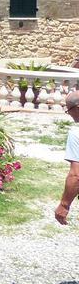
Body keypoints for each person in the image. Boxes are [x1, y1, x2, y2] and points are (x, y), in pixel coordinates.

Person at [55, 90, 79, 224]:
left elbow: (76, 175)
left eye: (69, 109)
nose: (69, 113)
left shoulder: (76, 134)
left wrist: (64, 205)